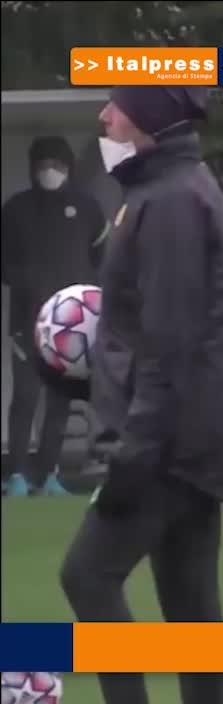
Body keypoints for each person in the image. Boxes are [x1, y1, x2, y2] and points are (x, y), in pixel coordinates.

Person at [58, 86, 223, 704]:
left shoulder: (171, 202)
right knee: (191, 608)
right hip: (186, 433)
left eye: (116, 107)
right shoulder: (161, 190)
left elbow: (172, 344)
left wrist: (134, 451)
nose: (103, 116)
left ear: (146, 120)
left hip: (170, 441)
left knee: (87, 575)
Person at [1, 136, 107, 497]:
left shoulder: (88, 208)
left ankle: (47, 475)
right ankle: (16, 475)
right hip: (26, 320)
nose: (50, 171)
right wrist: (27, 282)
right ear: (33, 168)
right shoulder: (15, 210)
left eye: (58, 165)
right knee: (26, 397)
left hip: (70, 325)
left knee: (60, 401)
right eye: (44, 164)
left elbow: (100, 256)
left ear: (69, 167)